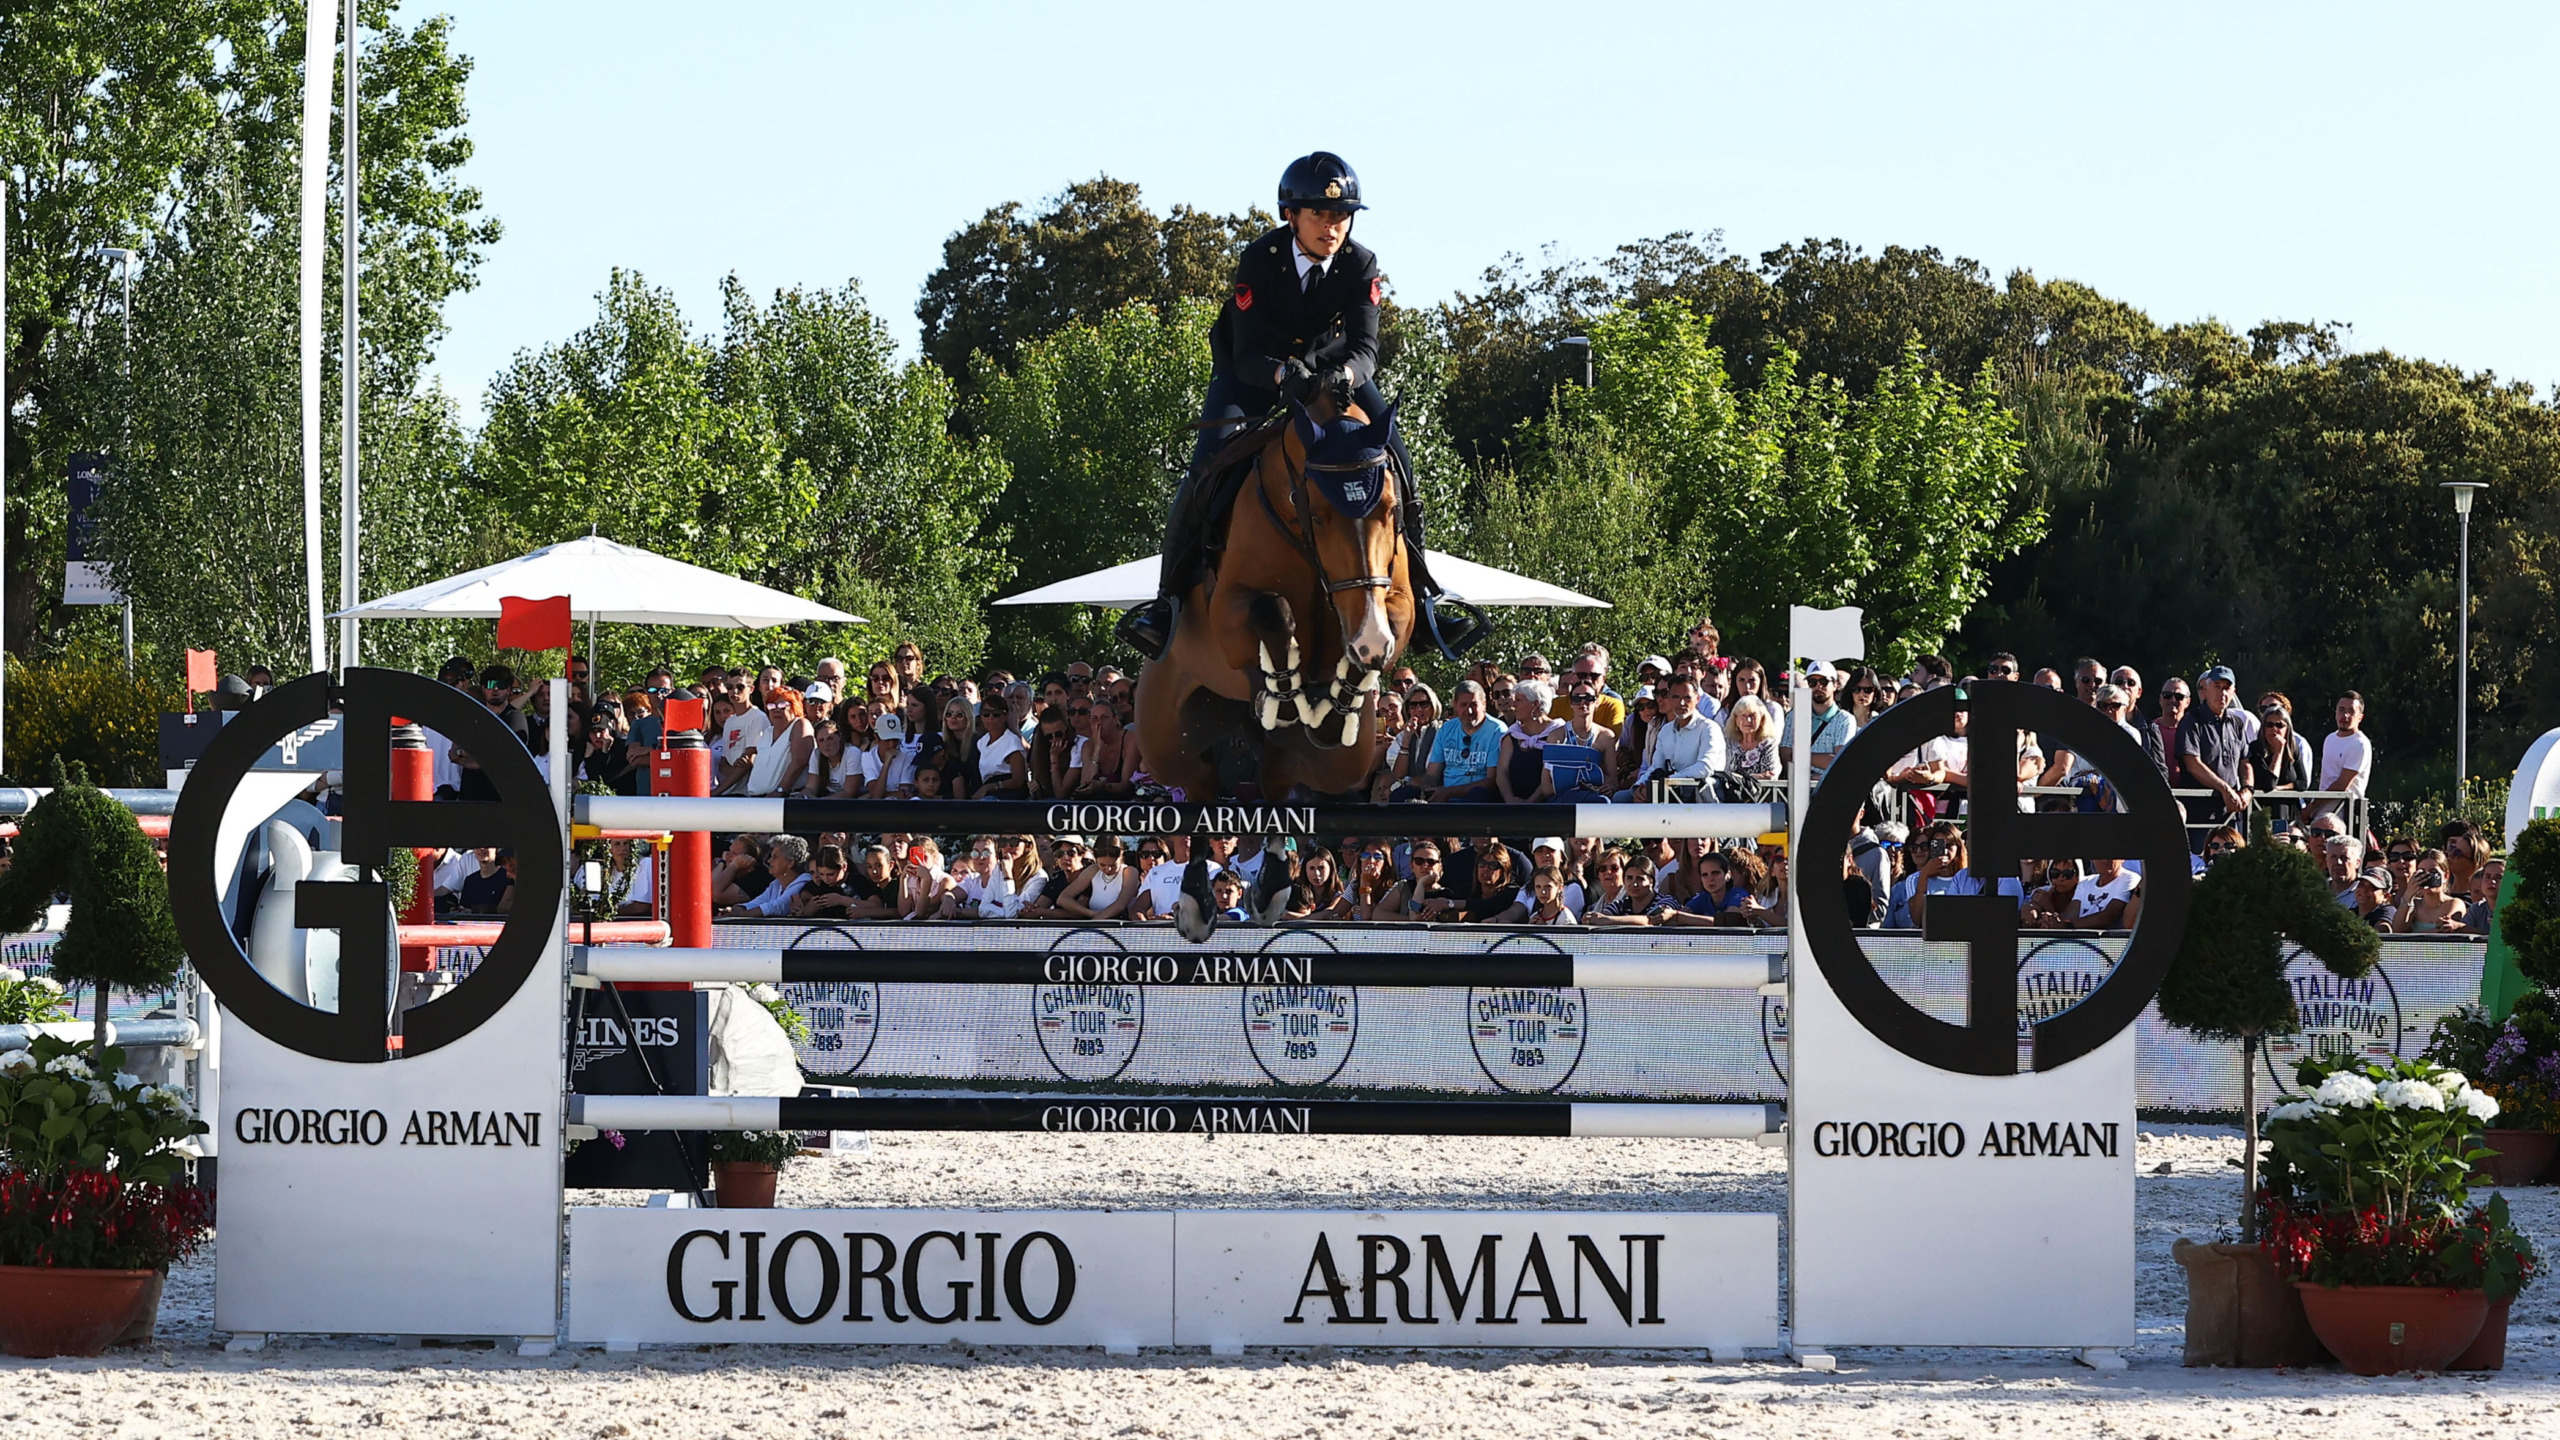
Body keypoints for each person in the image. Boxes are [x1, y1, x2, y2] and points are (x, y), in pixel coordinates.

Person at [1119, 151, 1481, 661]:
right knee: (1206, 466)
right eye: (1320, 215)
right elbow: (1247, 350)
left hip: (1333, 379)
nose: (1332, 227)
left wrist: (1345, 375)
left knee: (1399, 463)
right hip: (1254, 375)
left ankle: (1425, 599)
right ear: (1291, 215)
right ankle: (1165, 604)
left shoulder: (1361, 264)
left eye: (1341, 216)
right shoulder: (1261, 258)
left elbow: (1366, 347)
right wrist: (1281, 373)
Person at [1618, 675, 1724, 802]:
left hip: (1701, 797)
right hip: (1668, 793)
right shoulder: (1665, 730)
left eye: (1687, 697)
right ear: (1669, 699)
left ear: (1697, 699)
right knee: (1620, 798)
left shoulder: (1709, 728)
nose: (1681, 703)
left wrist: (1669, 781)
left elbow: (1705, 767)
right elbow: (1656, 767)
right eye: (1676, 697)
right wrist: (1640, 787)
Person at [2176, 665, 2251, 834]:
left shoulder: (2237, 723)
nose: (2222, 693)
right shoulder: (2192, 721)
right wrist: (2225, 789)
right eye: (2217, 687)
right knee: (2198, 859)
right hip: (2199, 813)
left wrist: (2247, 790)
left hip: (2230, 813)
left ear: (2233, 692)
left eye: (2226, 688)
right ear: (2206, 689)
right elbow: (2192, 764)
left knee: (2231, 859)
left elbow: (2245, 762)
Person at [1422, 681, 1504, 802]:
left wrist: (1451, 792)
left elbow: (1492, 781)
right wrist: (1428, 790)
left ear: (1484, 704)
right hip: (1445, 796)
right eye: (1463, 705)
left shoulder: (1497, 730)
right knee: (1402, 795)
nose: (1469, 711)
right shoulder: (1446, 729)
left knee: (1477, 795)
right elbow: (1432, 773)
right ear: (1455, 705)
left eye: (1474, 705)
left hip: (1477, 799)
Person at [1495, 679, 1568, 805]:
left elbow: (1553, 775)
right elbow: (1502, 772)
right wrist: (1510, 800)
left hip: (1548, 806)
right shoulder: (1512, 735)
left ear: (1535, 704)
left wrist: (1530, 803)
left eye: (1519, 700)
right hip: (1511, 805)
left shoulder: (1558, 734)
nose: (1513, 706)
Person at [1779, 661, 1855, 778]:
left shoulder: (1845, 719)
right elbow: (1786, 755)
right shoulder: (1794, 716)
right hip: (1797, 788)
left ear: (1835, 685)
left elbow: (1839, 761)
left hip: (1829, 788)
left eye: (1824, 682)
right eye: (1812, 682)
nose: (1818, 686)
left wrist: (1800, 756)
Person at [723, 836, 812, 919]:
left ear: (790, 863)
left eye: (775, 857)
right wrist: (736, 908)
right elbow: (756, 903)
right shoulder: (776, 884)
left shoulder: (804, 881)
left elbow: (776, 907)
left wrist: (738, 915)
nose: (769, 861)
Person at [2316, 691, 2371, 823]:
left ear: (2360, 717)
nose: (2345, 716)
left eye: (2351, 711)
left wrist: (2312, 806)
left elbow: (2342, 785)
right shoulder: (2330, 739)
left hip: (2345, 813)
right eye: (2341, 710)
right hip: (2322, 810)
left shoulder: (2360, 743)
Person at [1370, 841, 1456, 922]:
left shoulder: (1446, 893)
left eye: (1431, 862)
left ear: (1439, 867)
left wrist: (1421, 883)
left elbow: (1415, 914)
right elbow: (1378, 914)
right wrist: (1408, 921)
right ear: (1411, 866)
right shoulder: (1404, 887)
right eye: (1419, 861)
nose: (1425, 866)